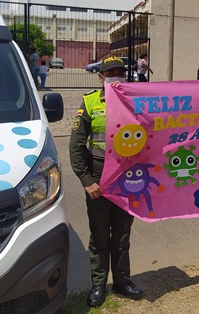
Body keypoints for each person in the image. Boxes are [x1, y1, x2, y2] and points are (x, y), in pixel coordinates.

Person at [69, 56, 144, 307]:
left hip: (127, 177)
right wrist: (86, 180)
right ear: (100, 77)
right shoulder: (90, 102)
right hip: (99, 177)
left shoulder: (136, 101)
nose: (116, 77)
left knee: (122, 233)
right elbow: (76, 145)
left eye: (120, 72)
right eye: (110, 73)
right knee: (100, 234)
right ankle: (99, 284)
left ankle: (122, 281)